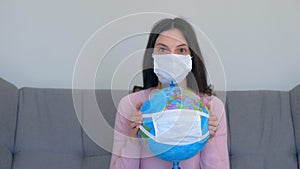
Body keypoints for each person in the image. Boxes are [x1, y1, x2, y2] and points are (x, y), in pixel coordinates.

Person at [110, 17, 229, 169]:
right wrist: (133, 139)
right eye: (162, 49)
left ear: (191, 57)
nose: (172, 57)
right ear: (152, 57)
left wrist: (208, 139)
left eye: (181, 50)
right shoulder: (131, 105)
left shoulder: (212, 107)